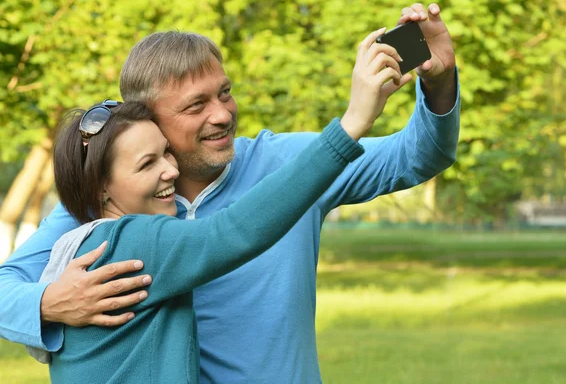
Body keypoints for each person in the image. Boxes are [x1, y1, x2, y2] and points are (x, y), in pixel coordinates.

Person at [0, 3, 460, 383]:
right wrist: (48, 303)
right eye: (196, 105)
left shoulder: (295, 163)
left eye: (225, 93)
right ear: (147, 120)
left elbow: (417, 156)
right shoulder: (106, 206)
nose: (221, 114)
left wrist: (437, 84)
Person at [29, 82, 390, 382]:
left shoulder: (78, 246)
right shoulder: (135, 242)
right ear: (101, 190)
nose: (171, 171)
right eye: (147, 164)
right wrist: (351, 125)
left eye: (165, 153)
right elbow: (235, 232)